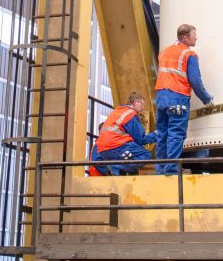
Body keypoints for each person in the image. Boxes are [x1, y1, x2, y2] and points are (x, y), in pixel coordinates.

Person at [155, 23, 213, 175]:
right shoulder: (189, 55)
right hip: (177, 97)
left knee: (162, 133)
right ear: (185, 37)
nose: (196, 38)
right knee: (176, 133)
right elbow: (195, 80)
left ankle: (160, 169)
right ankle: (171, 170)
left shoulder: (164, 52)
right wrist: (207, 99)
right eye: (194, 35)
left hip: (161, 97)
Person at [90, 93, 156, 175]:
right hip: (117, 146)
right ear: (136, 102)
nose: (143, 108)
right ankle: (116, 167)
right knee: (145, 155)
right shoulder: (130, 114)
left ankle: (117, 169)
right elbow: (141, 139)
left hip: (103, 150)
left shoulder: (117, 111)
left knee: (129, 160)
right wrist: (156, 134)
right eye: (142, 104)